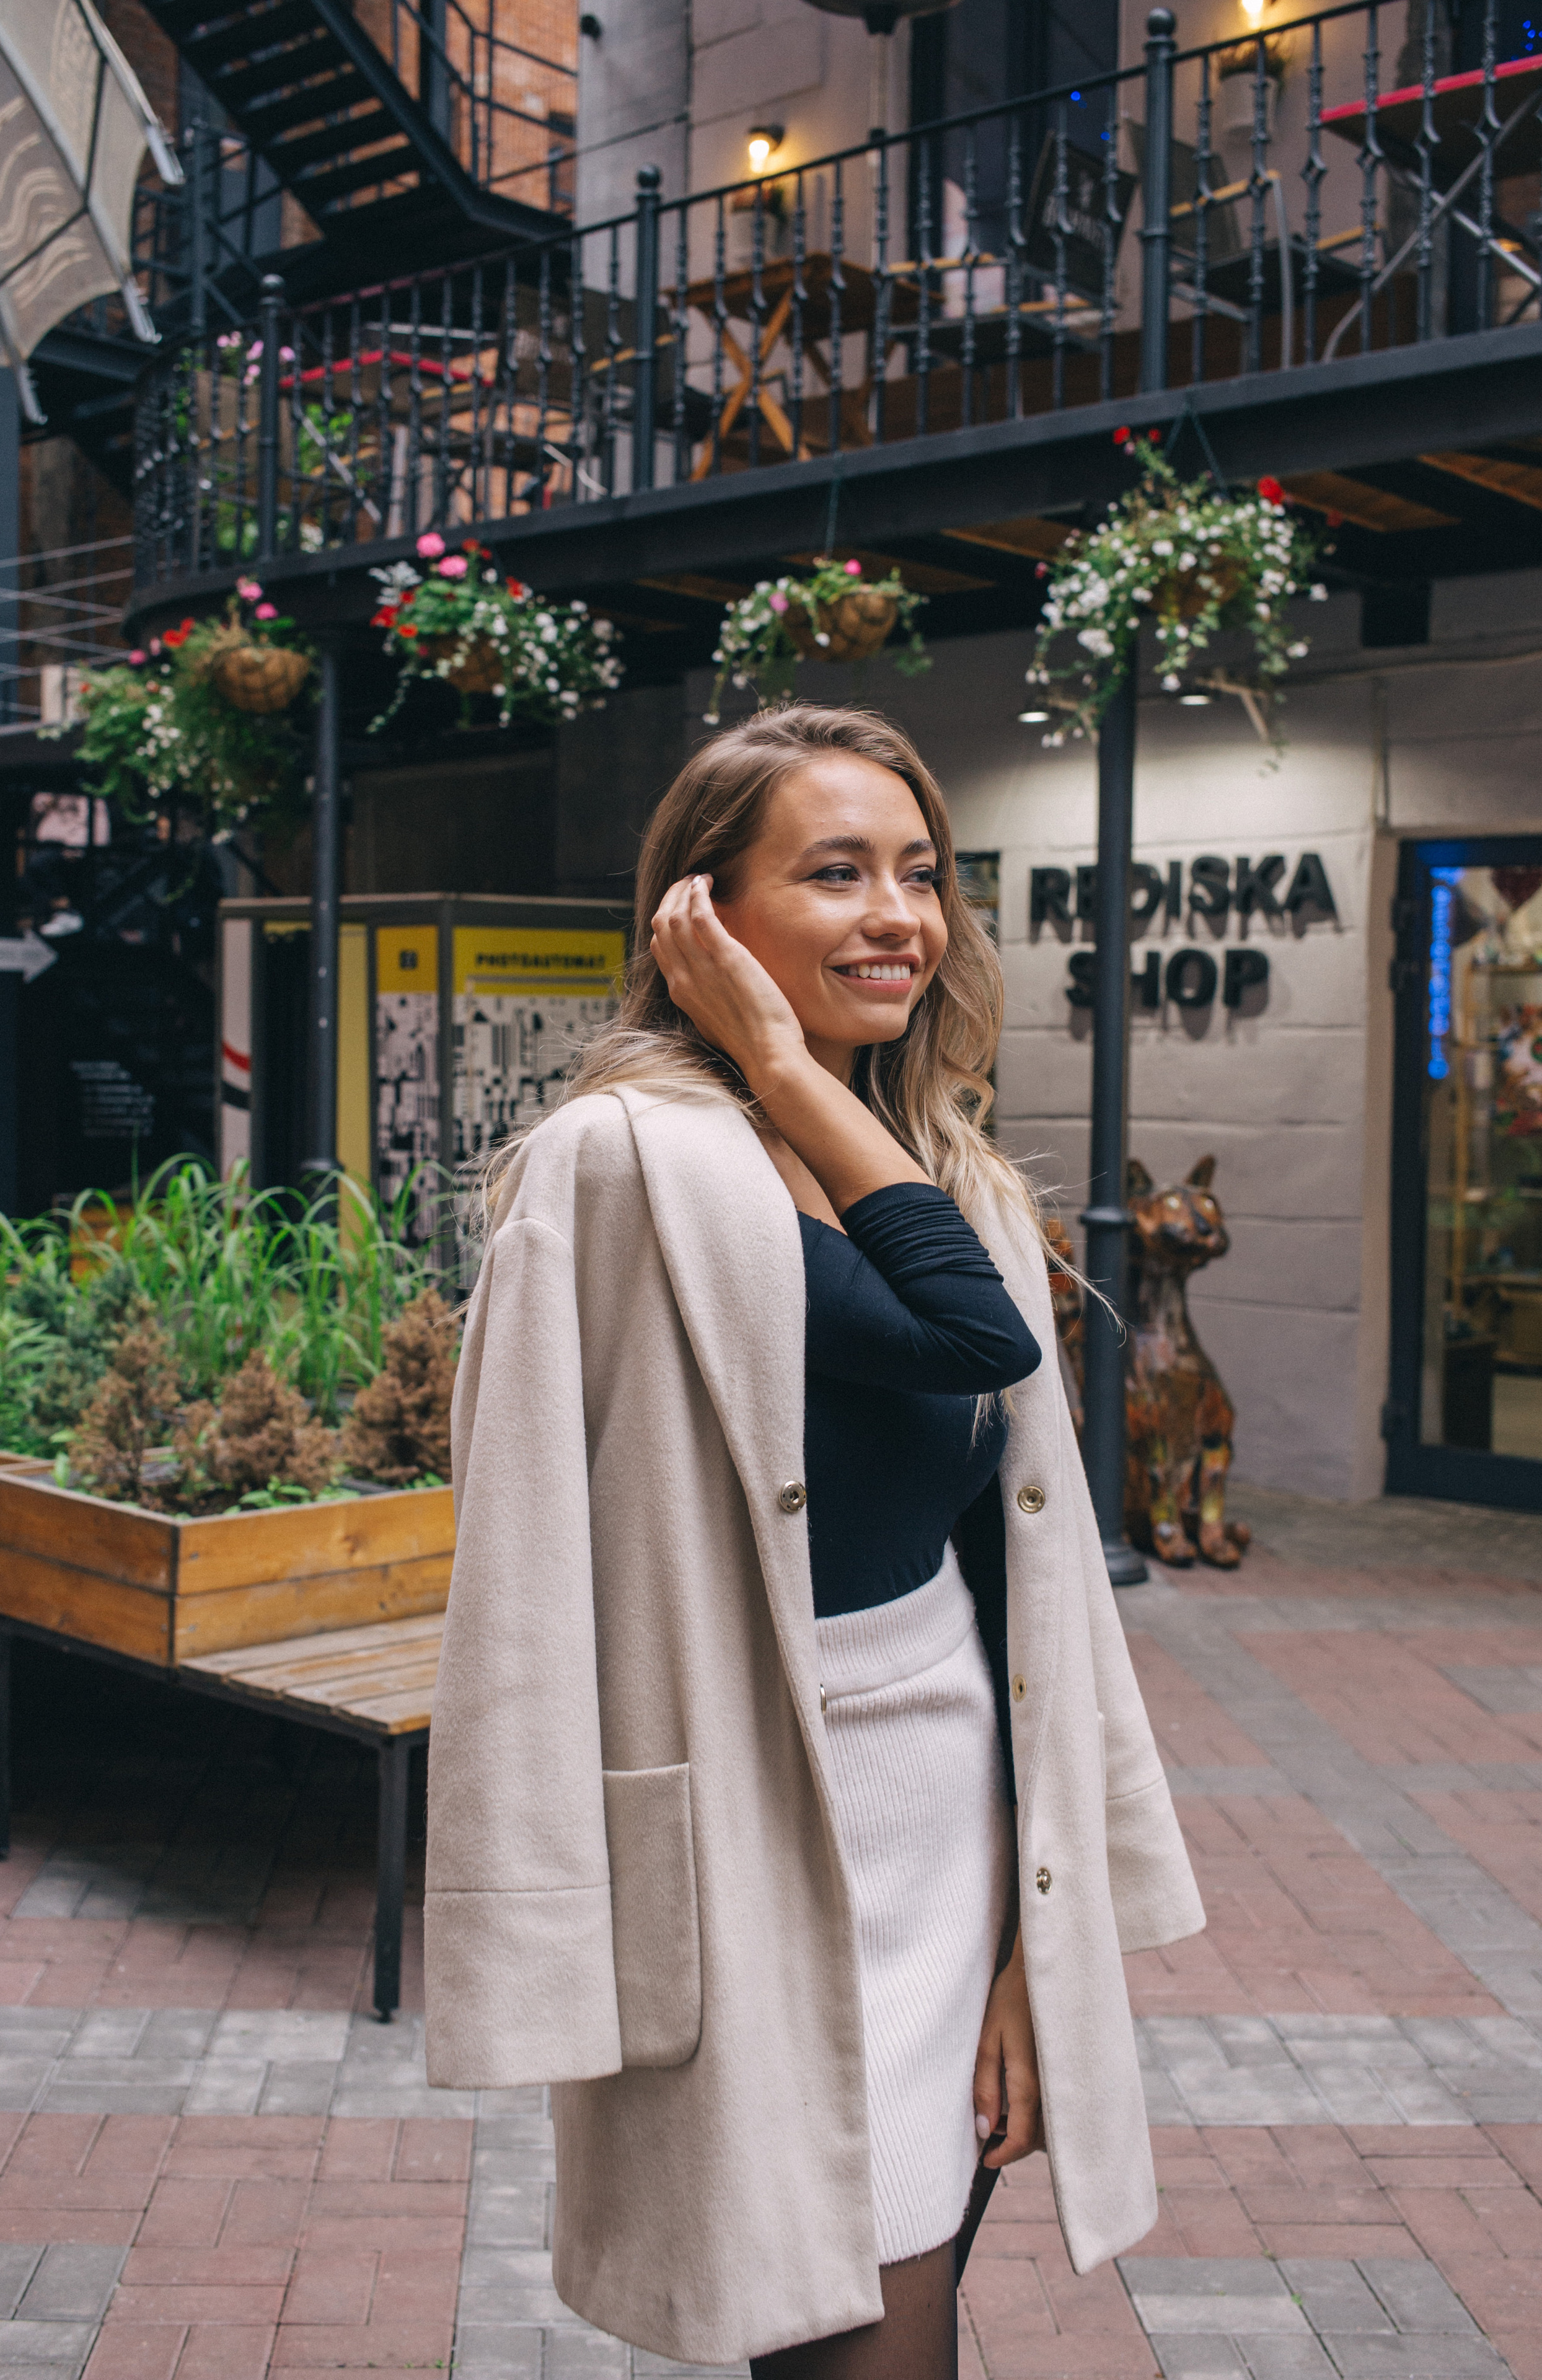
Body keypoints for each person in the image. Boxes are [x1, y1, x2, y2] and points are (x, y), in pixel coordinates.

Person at [425, 705, 1205, 2376]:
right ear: (706, 918)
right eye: (836, 873)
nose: (897, 917)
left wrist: (1021, 1950)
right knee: (842, 2333)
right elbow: (520, 1585)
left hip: (949, 1810)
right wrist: (777, 1066)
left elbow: (1011, 1572)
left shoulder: (940, 1174)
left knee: (902, 2292)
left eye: (920, 875)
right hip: (751, 1829)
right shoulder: (621, 1166)